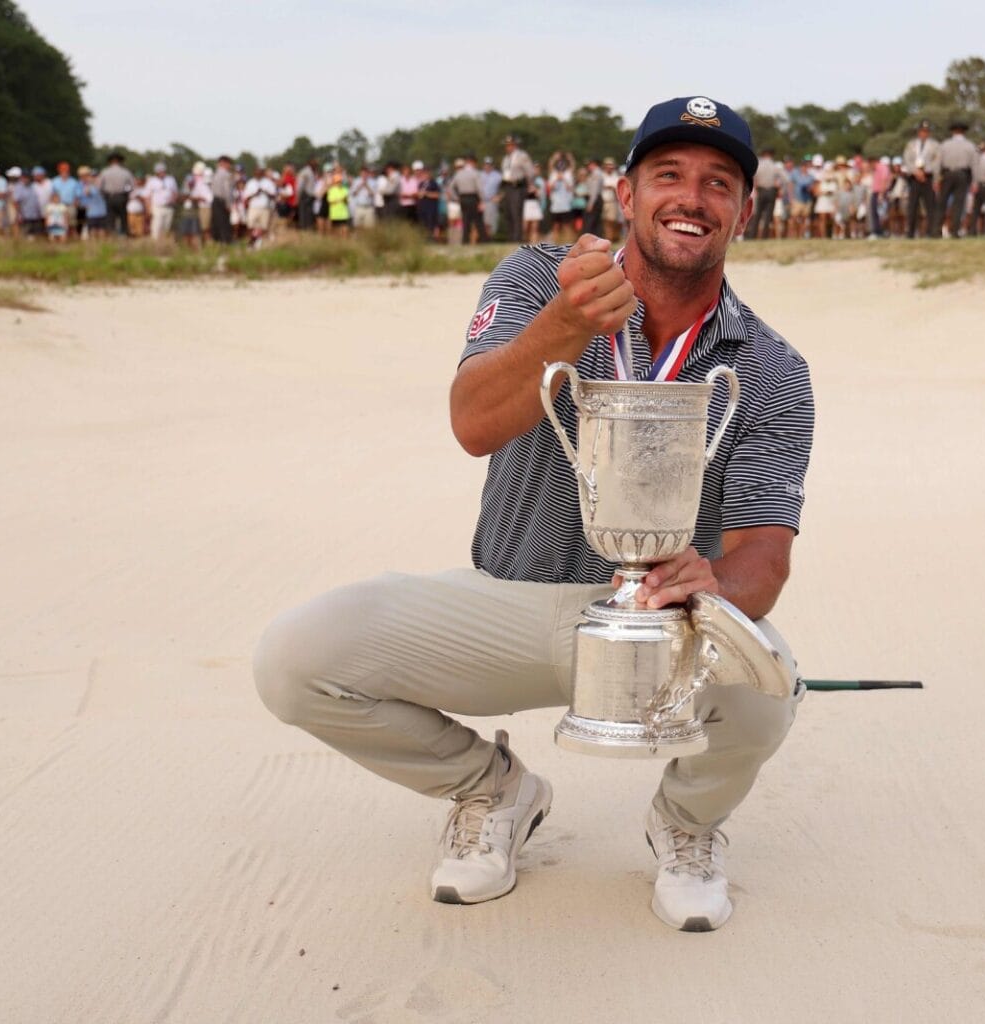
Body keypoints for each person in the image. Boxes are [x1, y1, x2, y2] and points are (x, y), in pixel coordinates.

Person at [254, 94, 812, 934]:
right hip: (508, 604)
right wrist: (566, 322)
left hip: (658, 631)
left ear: (744, 209)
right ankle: (493, 790)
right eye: (668, 175)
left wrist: (714, 586)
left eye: (718, 183)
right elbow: (472, 423)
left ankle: (687, 825)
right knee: (294, 659)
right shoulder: (535, 279)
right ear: (625, 194)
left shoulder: (772, 367)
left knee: (770, 683)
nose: (691, 198)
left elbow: (763, 559)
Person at [937, 121, 977, 239]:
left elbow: (938, 163)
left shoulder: (944, 145)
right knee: (958, 204)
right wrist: (975, 182)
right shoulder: (970, 146)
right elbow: (975, 165)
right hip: (962, 174)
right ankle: (955, 230)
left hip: (947, 174)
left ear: (952, 131)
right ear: (964, 132)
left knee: (942, 202)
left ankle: (937, 229)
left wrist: (936, 178)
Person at [902, 120, 940, 238]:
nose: (924, 133)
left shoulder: (935, 145)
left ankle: (932, 231)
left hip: (927, 177)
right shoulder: (911, 144)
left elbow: (937, 161)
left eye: (926, 131)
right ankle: (910, 232)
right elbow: (907, 159)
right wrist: (916, 171)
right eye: (922, 131)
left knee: (930, 206)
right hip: (914, 177)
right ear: (918, 132)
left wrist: (926, 171)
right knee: (912, 206)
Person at [499, 136, 537, 242]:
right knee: (508, 213)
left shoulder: (522, 156)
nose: (508, 147)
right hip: (507, 186)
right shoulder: (506, 158)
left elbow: (530, 171)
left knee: (516, 212)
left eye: (510, 145)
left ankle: (517, 238)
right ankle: (510, 237)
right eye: (506, 145)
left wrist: (531, 184)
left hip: (517, 186)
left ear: (514, 145)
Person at [451, 154, 486, 244]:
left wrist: (456, 198)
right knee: (478, 220)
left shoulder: (459, 173)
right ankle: (483, 240)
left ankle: (465, 240)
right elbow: (479, 188)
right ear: (473, 162)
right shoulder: (475, 173)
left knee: (465, 220)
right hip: (473, 197)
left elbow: (451, 188)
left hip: (463, 198)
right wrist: (482, 201)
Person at [97, 152, 134, 236]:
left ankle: (111, 234)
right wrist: (126, 194)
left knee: (110, 217)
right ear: (120, 161)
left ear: (110, 161)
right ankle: (124, 233)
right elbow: (132, 186)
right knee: (123, 217)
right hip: (122, 197)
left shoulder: (105, 172)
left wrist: (104, 196)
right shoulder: (126, 172)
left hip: (109, 197)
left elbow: (99, 187)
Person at [749, 148, 782, 239]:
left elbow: (753, 178)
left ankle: (752, 235)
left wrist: (755, 188)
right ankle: (764, 236)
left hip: (760, 190)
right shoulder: (775, 166)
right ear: (771, 155)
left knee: (757, 214)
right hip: (771, 191)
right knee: (768, 215)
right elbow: (783, 179)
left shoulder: (758, 165)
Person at [545, 152, 576, 244]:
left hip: (566, 205)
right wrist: (554, 158)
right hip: (555, 205)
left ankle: (569, 243)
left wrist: (570, 158)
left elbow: (570, 188)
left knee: (567, 226)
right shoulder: (553, 175)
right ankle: (555, 243)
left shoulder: (568, 174)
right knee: (555, 226)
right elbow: (550, 188)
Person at [145, 162, 178, 240]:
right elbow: (147, 196)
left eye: (162, 171)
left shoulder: (171, 179)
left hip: (169, 207)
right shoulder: (152, 181)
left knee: (166, 227)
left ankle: (164, 242)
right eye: (159, 171)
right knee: (157, 226)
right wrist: (148, 209)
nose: (161, 173)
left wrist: (173, 200)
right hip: (157, 207)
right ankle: (155, 242)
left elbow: (175, 192)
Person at [210, 156, 235, 244]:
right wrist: (228, 204)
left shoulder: (215, 174)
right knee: (224, 222)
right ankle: (226, 240)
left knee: (217, 222)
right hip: (222, 201)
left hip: (215, 200)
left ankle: (218, 240)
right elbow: (227, 190)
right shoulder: (226, 175)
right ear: (225, 163)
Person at [79, 168, 109, 238]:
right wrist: (89, 183)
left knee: (102, 230)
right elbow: (86, 193)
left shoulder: (103, 186)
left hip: (102, 212)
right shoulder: (88, 186)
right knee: (92, 231)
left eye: (96, 176)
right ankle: (93, 244)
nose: (94, 178)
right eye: (92, 176)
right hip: (92, 213)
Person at [325, 166, 351, 237]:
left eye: (340, 181)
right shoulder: (331, 190)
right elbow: (330, 201)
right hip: (335, 215)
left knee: (345, 232)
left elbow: (347, 201)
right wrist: (339, 199)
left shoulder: (345, 190)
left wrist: (344, 200)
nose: (339, 183)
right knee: (336, 233)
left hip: (344, 214)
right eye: (337, 182)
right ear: (334, 182)